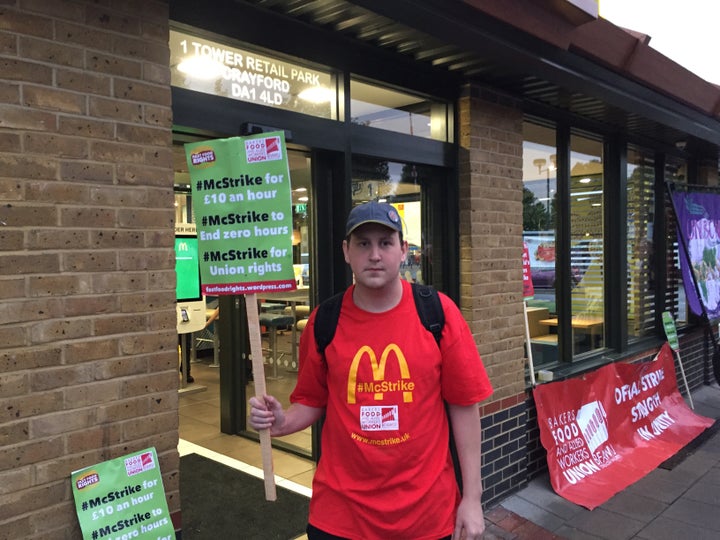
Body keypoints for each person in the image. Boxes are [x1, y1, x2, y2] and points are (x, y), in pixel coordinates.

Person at [249, 201, 493, 540]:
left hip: (425, 517)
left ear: (403, 250)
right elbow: (312, 400)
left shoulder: (438, 314)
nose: (374, 254)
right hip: (340, 516)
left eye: (385, 242)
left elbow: (465, 405)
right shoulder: (325, 321)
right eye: (363, 244)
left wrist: (472, 498)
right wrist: (282, 422)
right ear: (346, 252)